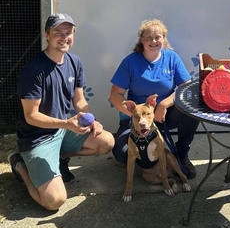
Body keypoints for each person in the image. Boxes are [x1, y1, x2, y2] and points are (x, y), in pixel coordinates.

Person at [7, 13, 115, 211]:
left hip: (62, 131)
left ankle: (60, 157)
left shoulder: (74, 62)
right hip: (37, 138)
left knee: (107, 142)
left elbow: (79, 99)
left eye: (68, 32)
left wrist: (91, 121)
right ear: (47, 35)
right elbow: (31, 116)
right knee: (54, 201)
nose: (64, 37)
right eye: (58, 32)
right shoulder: (33, 70)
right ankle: (21, 166)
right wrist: (67, 123)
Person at [109, 19, 199, 179]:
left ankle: (182, 154)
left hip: (163, 116)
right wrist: (135, 115)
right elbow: (115, 95)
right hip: (137, 118)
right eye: (148, 37)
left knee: (191, 108)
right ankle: (153, 159)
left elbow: (186, 88)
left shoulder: (172, 58)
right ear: (141, 40)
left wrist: (164, 104)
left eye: (158, 37)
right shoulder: (130, 61)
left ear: (164, 39)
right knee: (122, 155)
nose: (153, 41)